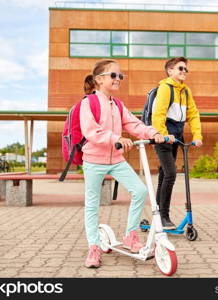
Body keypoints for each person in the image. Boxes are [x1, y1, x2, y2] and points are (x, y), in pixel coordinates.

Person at [80, 59, 173, 268]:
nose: (118, 79)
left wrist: (155, 133)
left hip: (116, 159)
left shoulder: (117, 105)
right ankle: (93, 247)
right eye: (114, 75)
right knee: (92, 204)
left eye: (120, 76)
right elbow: (91, 131)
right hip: (94, 160)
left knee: (140, 191)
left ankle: (131, 235)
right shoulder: (89, 103)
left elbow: (134, 124)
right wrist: (116, 138)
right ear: (99, 79)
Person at [151, 57, 203, 230]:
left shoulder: (185, 91)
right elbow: (158, 114)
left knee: (164, 174)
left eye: (186, 69)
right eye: (180, 68)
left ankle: (157, 213)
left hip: (177, 135)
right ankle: (164, 216)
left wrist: (197, 136)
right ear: (170, 71)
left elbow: (193, 114)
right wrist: (164, 135)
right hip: (163, 136)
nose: (183, 72)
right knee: (171, 174)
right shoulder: (165, 88)